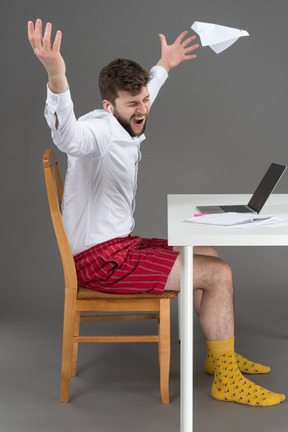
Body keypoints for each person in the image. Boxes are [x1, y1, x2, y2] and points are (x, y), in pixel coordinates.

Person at [28, 19, 285, 406]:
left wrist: (163, 66)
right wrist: (56, 74)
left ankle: (220, 360)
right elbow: (67, 137)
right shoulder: (96, 132)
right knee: (220, 274)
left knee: (210, 255)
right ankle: (227, 381)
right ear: (106, 106)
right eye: (132, 103)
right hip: (101, 261)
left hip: (120, 247)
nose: (142, 108)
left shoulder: (128, 113)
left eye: (144, 99)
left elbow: (146, 95)